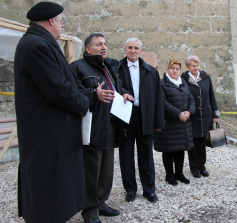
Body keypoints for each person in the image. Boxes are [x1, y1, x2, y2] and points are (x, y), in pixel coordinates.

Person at [14, 2, 90, 223]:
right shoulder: (38, 45)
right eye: (61, 20)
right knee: (49, 191)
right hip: (47, 132)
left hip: (50, 130)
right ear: (51, 21)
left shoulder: (38, 42)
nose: (62, 25)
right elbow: (59, 90)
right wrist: (85, 102)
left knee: (55, 188)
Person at [71, 33, 133, 223]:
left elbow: (117, 87)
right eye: (99, 44)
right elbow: (70, 93)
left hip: (111, 124)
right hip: (92, 125)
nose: (104, 47)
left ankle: (101, 203)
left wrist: (124, 93)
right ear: (88, 49)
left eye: (105, 44)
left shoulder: (109, 66)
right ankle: (89, 211)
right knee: (91, 170)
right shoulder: (77, 67)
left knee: (106, 169)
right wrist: (92, 94)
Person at [117, 37, 164, 202]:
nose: (133, 51)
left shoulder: (151, 71)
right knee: (126, 155)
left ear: (141, 51)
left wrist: (158, 123)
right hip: (125, 116)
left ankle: (149, 189)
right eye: (130, 47)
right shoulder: (117, 68)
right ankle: (130, 189)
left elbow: (159, 98)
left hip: (145, 116)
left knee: (146, 155)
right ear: (125, 49)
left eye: (136, 48)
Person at [154, 59, 195, 186]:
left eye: (177, 69)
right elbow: (162, 102)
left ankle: (179, 173)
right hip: (169, 123)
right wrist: (178, 114)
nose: (175, 71)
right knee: (169, 150)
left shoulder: (183, 83)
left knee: (180, 149)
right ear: (168, 69)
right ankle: (169, 175)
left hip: (183, 123)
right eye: (173, 68)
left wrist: (189, 112)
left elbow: (191, 100)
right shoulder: (162, 84)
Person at [181, 55, 220, 178]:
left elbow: (211, 95)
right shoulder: (183, 79)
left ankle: (202, 166)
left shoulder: (206, 77)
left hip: (205, 115)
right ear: (188, 66)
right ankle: (194, 168)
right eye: (193, 66)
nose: (196, 68)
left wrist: (214, 114)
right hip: (191, 115)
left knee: (202, 143)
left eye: (197, 65)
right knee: (192, 143)